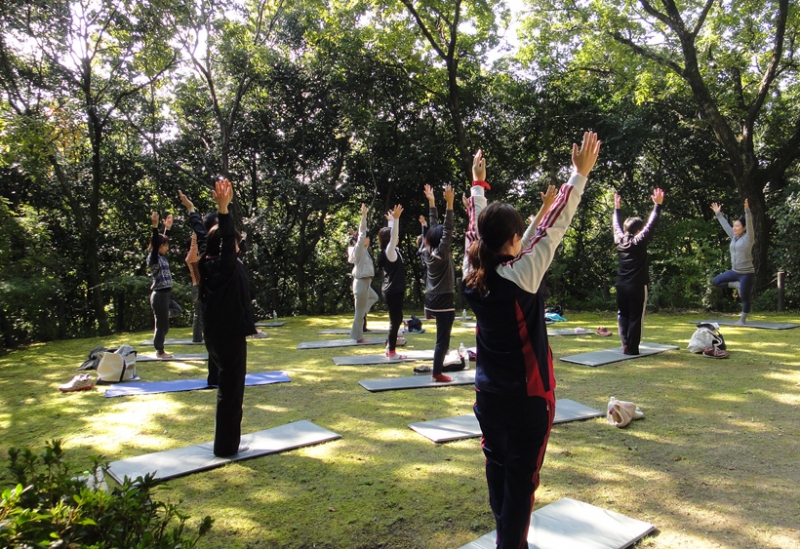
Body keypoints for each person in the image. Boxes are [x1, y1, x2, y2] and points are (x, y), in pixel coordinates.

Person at [463, 133, 601, 549]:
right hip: (528, 401)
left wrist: (478, 187)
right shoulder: (523, 273)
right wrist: (579, 176)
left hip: (488, 395)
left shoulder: (473, 273)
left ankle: (509, 536)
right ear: (512, 241)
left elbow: (477, 229)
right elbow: (556, 225)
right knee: (522, 484)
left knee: (498, 466)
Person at [181, 180, 257, 457]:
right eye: (236, 242)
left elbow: (204, 235)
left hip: (217, 334)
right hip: (228, 334)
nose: (238, 245)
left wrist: (192, 210)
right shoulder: (223, 266)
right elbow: (224, 238)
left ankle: (227, 443)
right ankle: (226, 447)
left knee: (229, 386)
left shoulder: (208, 262)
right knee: (231, 390)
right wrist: (223, 210)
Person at [612, 188, 664, 355]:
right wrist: (657, 206)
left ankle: (625, 344)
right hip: (636, 286)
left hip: (621, 285)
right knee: (636, 316)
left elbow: (615, 225)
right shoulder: (638, 242)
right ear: (637, 231)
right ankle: (632, 349)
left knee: (623, 314)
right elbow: (651, 225)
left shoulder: (620, 240)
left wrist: (617, 209)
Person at [422, 183, 456, 382]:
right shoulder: (442, 252)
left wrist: (432, 203)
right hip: (443, 300)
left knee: (442, 338)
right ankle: (437, 372)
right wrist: (449, 204)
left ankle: (440, 361)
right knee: (442, 339)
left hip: (431, 300)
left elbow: (435, 229)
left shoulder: (427, 251)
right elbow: (447, 229)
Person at [711, 199, 754, 325]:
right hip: (735, 272)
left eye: (737, 226)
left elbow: (750, 223)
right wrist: (718, 214)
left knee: (745, 298)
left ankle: (742, 320)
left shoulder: (749, 238)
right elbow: (726, 226)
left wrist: (747, 211)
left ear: (744, 228)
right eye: (734, 226)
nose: (734, 228)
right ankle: (736, 285)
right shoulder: (734, 237)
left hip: (746, 273)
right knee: (716, 281)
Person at [146, 211, 182, 359]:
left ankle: (165, 314)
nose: (167, 248)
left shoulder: (161, 257)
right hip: (159, 295)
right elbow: (156, 243)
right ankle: (160, 351)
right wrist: (155, 227)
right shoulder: (153, 258)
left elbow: (161, 240)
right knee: (162, 326)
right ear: (159, 246)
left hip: (166, 295)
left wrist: (166, 229)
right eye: (165, 246)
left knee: (178, 310)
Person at [378, 205, 407, 359]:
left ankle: (390, 345)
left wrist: (391, 221)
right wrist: (395, 220)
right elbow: (393, 234)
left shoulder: (391, 251)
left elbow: (392, 235)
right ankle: (391, 352)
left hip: (394, 291)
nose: (397, 237)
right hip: (393, 292)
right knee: (395, 321)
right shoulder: (390, 252)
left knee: (398, 319)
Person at [349, 203, 379, 342]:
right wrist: (364, 217)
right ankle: (358, 337)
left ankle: (360, 315)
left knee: (374, 297)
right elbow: (361, 236)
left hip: (366, 282)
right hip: (361, 282)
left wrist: (354, 234)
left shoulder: (364, 251)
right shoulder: (359, 250)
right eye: (367, 237)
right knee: (359, 312)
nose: (368, 238)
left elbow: (359, 237)